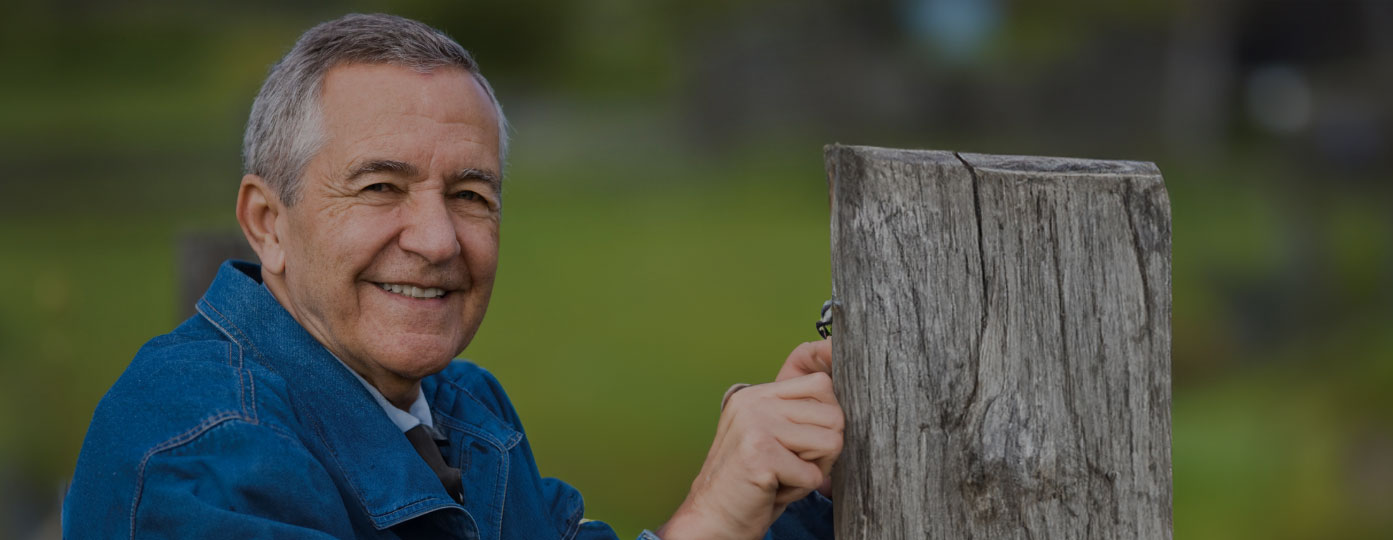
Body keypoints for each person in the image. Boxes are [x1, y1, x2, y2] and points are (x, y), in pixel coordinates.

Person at [64, 13, 841, 539]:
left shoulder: (461, 415)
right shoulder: (204, 459)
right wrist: (706, 518)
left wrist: (794, 482)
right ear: (270, 223)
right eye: (380, 188)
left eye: (470, 195)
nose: (437, 239)